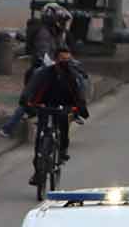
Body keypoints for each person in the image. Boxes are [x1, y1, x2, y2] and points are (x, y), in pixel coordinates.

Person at [0, 3, 72, 138]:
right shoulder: (44, 34)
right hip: (41, 71)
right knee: (30, 100)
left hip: (52, 70)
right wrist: (53, 65)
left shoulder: (56, 34)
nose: (63, 24)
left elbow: (64, 51)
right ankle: (8, 128)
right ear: (53, 20)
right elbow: (43, 53)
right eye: (61, 21)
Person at [20, 46, 89, 181]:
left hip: (64, 106)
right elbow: (30, 88)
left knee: (63, 122)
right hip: (46, 105)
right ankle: (38, 171)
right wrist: (27, 103)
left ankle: (62, 150)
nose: (65, 62)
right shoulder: (44, 73)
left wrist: (79, 108)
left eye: (67, 59)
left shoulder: (72, 75)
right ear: (55, 59)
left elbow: (79, 93)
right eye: (62, 59)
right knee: (40, 138)